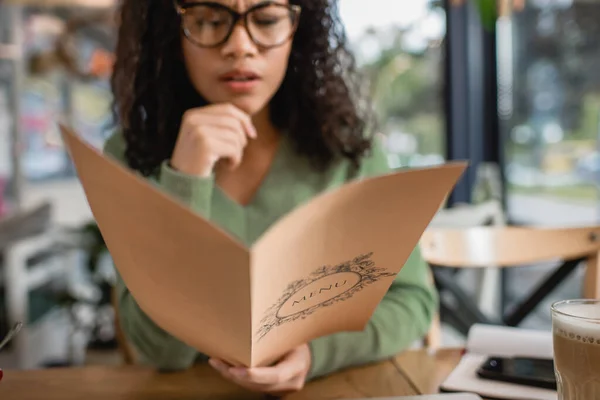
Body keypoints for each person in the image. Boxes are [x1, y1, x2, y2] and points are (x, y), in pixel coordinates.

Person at [103, 0, 438, 395]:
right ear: (168, 33)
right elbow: (162, 350)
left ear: (299, 29)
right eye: (209, 21)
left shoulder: (347, 151)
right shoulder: (130, 156)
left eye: (266, 20)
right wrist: (184, 182)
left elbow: (411, 301)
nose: (240, 46)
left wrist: (316, 354)